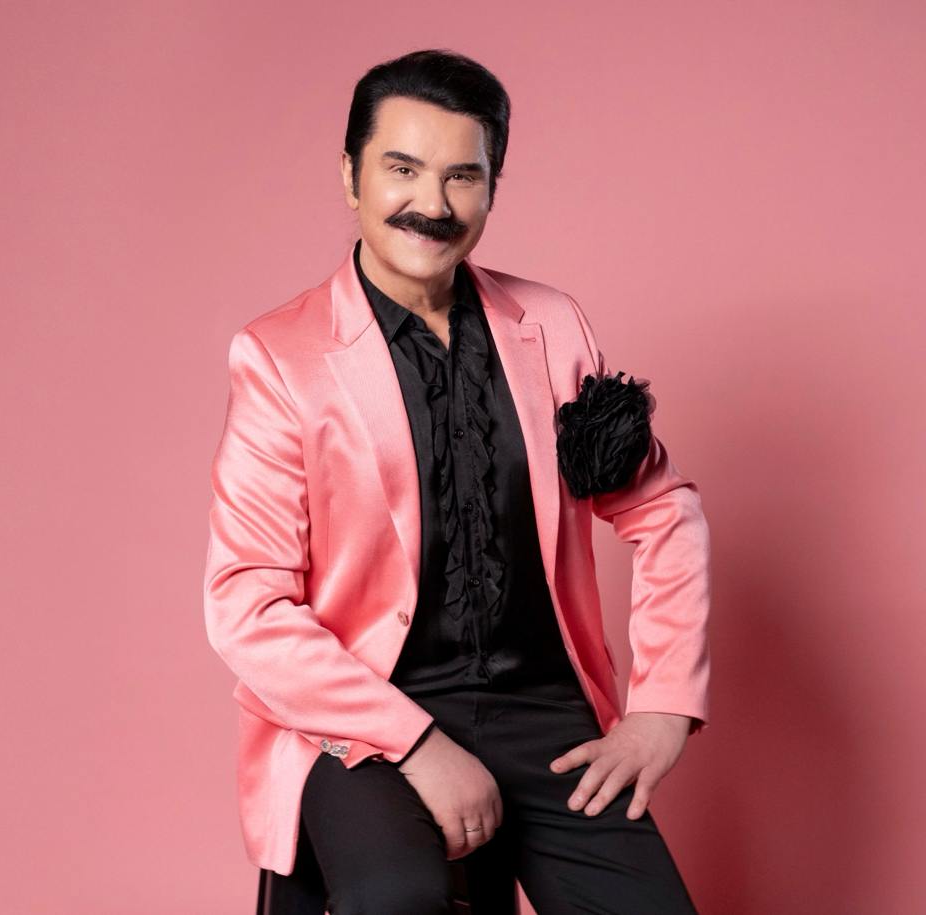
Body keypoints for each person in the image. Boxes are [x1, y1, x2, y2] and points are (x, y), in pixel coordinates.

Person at [203, 48, 712, 914]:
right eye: (402, 169)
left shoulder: (552, 327)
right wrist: (416, 742)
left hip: (543, 706)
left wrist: (663, 705)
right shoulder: (280, 357)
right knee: (398, 898)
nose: (432, 205)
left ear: (492, 186)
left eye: (461, 177)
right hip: (362, 711)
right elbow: (247, 604)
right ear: (351, 175)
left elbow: (661, 508)